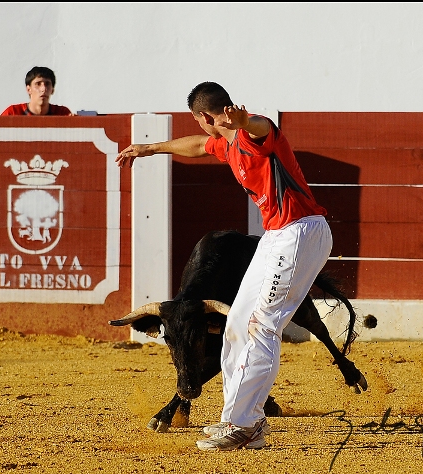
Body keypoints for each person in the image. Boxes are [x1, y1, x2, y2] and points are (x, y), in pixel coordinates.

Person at [115, 81, 333, 452]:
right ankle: (238, 418)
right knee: (236, 322)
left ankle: (245, 424)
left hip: (300, 231)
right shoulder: (224, 143)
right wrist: (151, 148)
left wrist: (246, 120)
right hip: (277, 235)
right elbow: (199, 145)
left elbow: (263, 127)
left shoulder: (251, 135)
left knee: (261, 325)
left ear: (202, 116)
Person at [0, 66, 73, 116]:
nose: (43, 89)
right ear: (29, 89)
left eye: (47, 84)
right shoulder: (13, 113)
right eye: (38, 84)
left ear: (52, 90)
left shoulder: (62, 114)